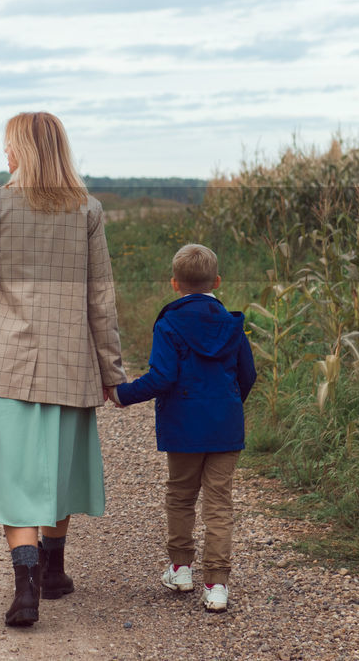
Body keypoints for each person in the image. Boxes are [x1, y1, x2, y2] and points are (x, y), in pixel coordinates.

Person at [0, 111, 126, 628]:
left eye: (9, 146)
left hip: (4, 367)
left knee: (20, 479)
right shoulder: (88, 209)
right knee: (57, 471)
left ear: (22, 150)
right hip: (70, 366)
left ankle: (26, 587)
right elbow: (100, 298)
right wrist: (112, 370)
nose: (5, 155)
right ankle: (54, 572)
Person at [111, 243, 257, 613]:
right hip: (225, 426)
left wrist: (122, 394)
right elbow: (248, 375)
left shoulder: (169, 323)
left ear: (174, 283)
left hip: (184, 426)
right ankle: (218, 586)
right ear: (217, 281)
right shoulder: (232, 324)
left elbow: (163, 377)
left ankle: (180, 568)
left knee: (181, 495)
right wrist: (226, 406)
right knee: (219, 504)